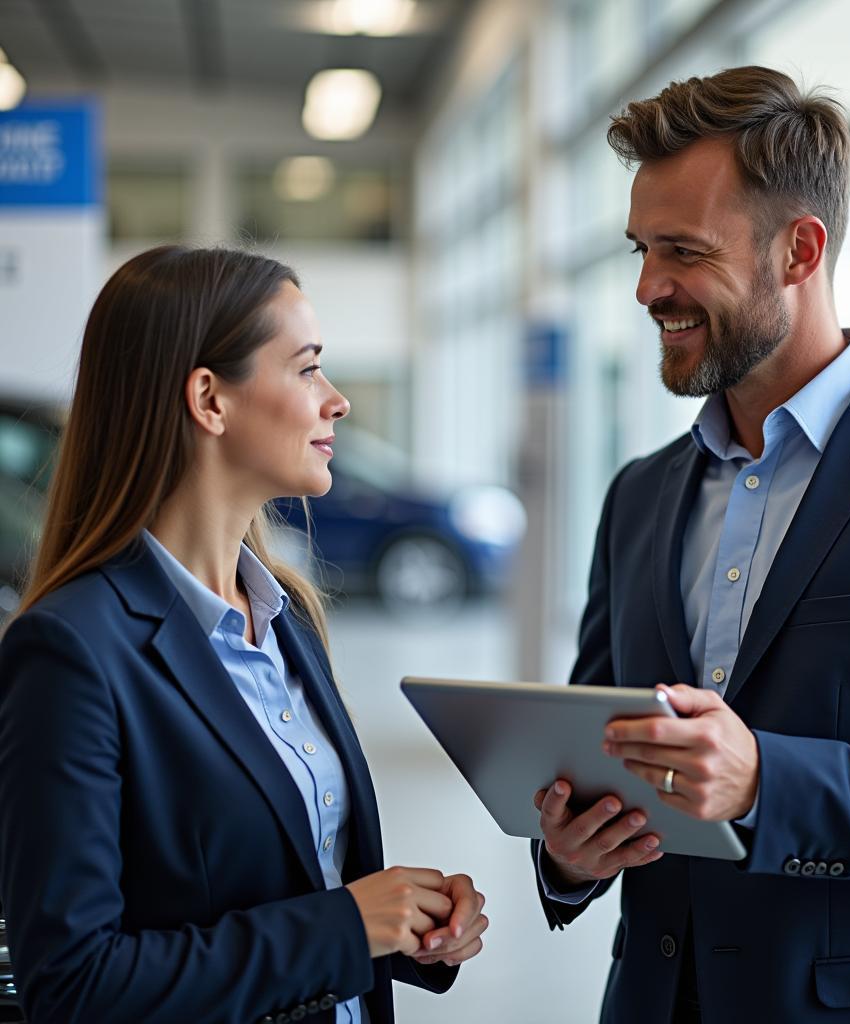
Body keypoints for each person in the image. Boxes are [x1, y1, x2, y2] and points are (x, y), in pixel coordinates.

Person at [531, 66, 850, 1023]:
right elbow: (598, 751)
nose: (646, 287)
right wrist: (567, 852)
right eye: (639, 248)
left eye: (682, 250)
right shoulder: (638, 496)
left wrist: (767, 782)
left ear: (800, 250)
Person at [0, 245, 488, 1024]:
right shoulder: (71, 653)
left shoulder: (287, 616)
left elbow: (291, 883)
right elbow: (73, 982)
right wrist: (347, 924)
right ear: (209, 400)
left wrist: (403, 925)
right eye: (306, 368)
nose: (337, 402)